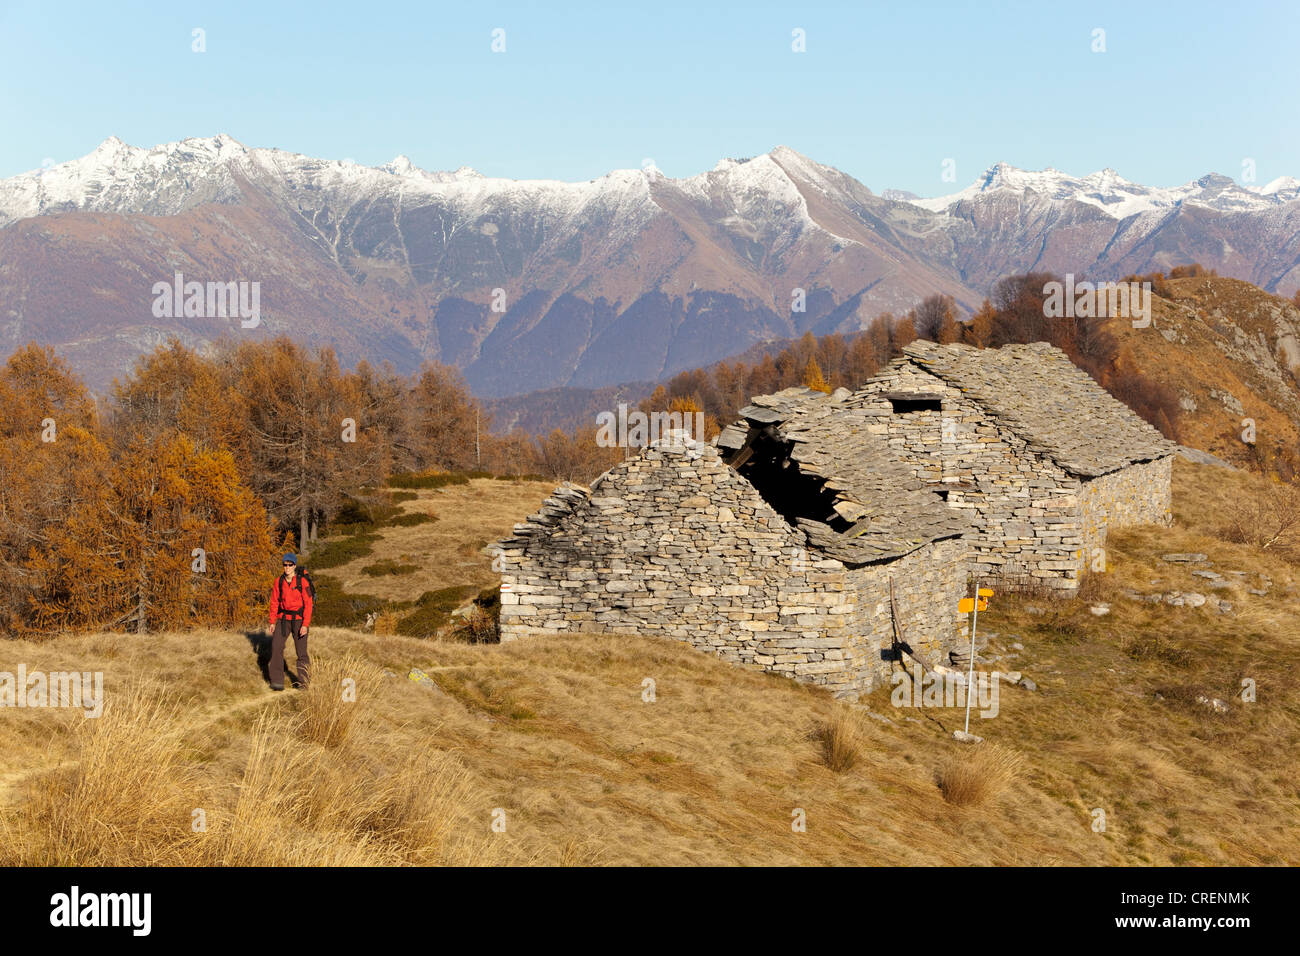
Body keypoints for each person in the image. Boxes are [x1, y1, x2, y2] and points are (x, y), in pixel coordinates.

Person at [267, 553, 312, 690]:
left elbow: (309, 604)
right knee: (276, 647)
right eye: (285, 565)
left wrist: (305, 625)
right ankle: (277, 682)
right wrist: (272, 621)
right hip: (283, 619)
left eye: (290, 565)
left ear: (294, 566)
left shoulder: (302, 582)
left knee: (301, 652)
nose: (287, 567)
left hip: (299, 621)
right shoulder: (278, 581)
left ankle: (304, 683)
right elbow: (274, 602)